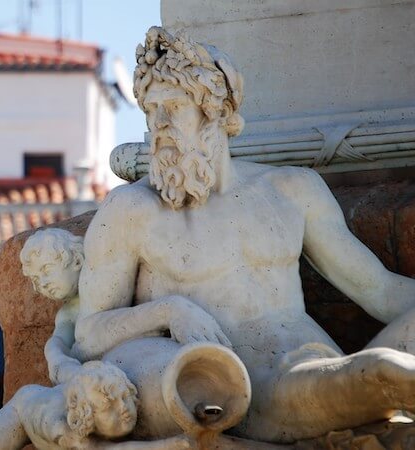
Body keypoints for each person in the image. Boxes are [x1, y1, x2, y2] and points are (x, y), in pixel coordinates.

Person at [74, 26, 415, 443]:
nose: (159, 125)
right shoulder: (131, 211)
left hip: (321, 366)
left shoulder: (292, 190)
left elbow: (380, 291)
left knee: (382, 366)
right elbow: (89, 335)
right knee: (383, 371)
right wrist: (168, 311)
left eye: (175, 106)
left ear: (217, 113)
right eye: (151, 111)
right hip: (253, 391)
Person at [20, 228, 230, 386]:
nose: (42, 283)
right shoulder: (68, 312)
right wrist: (55, 357)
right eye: (36, 280)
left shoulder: (106, 273)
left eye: (47, 269)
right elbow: (60, 341)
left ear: (75, 259)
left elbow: (83, 343)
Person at [0, 360, 138, 450]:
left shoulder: (89, 385)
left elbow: (61, 360)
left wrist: (56, 343)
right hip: (20, 407)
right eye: (108, 406)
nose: (123, 407)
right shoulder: (63, 429)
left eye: (124, 396)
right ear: (86, 418)